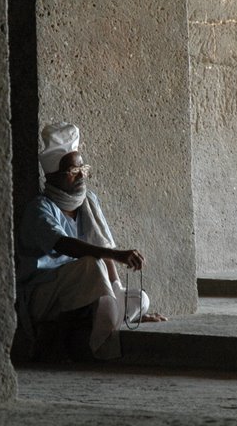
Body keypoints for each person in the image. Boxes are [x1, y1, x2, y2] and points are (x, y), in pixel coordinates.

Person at [16, 122, 166, 361]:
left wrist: (117, 290)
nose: (81, 176)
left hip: (86, 287)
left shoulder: (88, 202)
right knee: (91, 264)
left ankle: (113, 316)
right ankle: (103, 346)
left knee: (141, 299)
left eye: (82, 169)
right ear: (54, 176)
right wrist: (117, 255)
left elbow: (102, 246)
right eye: (74, 172)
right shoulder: (40, 209)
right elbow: (64, 244)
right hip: (44, 293)